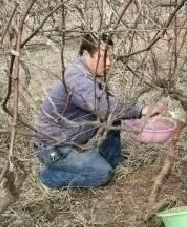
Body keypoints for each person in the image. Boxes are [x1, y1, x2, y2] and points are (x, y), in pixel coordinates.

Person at [34, 32, 165, 189]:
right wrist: (141, 110)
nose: (109, 63)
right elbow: (103, 106)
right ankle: (49, 177)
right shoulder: (76, 78)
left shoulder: (87, 73)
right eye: (103, 58)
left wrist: (137, 113)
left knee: (114, 118)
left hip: (70, 139)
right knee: (101, 174)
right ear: (86, 54)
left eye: (111, 57)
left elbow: (112, 102)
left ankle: (109, 160)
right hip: (54, 148)